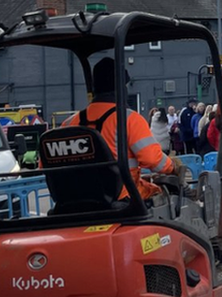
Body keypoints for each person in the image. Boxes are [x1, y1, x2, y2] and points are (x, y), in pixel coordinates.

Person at [63, 58, 176, 200]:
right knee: (166, 197)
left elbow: (46, 165)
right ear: (122, 88)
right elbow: (153, 160)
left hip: (75, 200)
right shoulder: (129, 119)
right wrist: (173, 167)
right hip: (121, 197)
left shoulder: (69, 123)